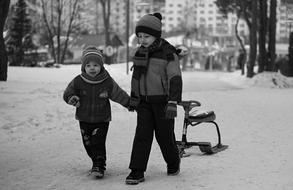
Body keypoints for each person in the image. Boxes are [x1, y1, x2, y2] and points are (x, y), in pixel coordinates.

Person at [126, 12, 182, 185]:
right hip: (144, 103)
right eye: (139, 36)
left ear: (156, 35)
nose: (142, 40)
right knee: (142, 135)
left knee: (164, 136)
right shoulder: (140, 52)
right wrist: (134, 98)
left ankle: (173, 162)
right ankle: (137, 170)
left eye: (146, 36)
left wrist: (173, 101)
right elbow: (136, 77)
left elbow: (175, 78)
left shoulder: (168, 53)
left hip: (163, 103)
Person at [63, 46, 130, 179]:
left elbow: (118, 94)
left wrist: (130, 103)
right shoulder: (78, 81)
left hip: (102, 119)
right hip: (84, 118)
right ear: (83, 67)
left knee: (98, 142)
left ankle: (99, 165)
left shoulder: (107, 81)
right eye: (88, 65)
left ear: (101, 66)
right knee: (88, 144)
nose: (92, 68)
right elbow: (67, 93)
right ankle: (96, 161)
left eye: (95, 65)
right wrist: (72, 98)